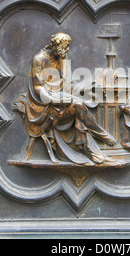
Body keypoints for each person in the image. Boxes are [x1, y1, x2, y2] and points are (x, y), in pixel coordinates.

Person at [14, 32, 117, 165]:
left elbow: (68, 82)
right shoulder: (39, 59)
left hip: (60, 96)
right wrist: (53, 100)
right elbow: (38, 87)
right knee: (78, 105)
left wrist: (84, 89)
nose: (67, 49)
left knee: (83, 102)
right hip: (43, 103)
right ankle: (101, 136)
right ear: (56, 45)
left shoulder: (62, 57)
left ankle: (92, 150)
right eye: (65, 46)